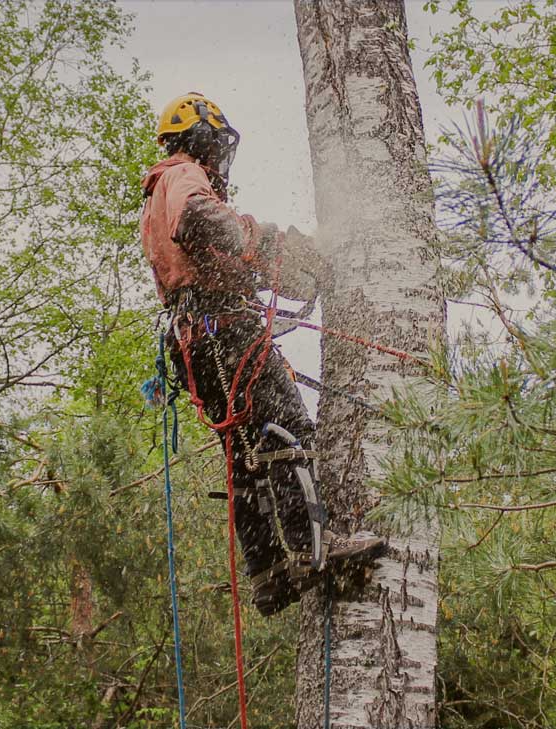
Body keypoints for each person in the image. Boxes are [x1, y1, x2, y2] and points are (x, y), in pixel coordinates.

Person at [139, 92, 384, 617]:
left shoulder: (157, 194)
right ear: (202, 137)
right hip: (225, 334)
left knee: (246, 456)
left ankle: (269, 572)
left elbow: (213, 257)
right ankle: (313, 549)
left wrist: (276, 267)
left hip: (198, 343)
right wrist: (263, 238)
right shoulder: (181, 175)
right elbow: (201, 220)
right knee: (287, 427)